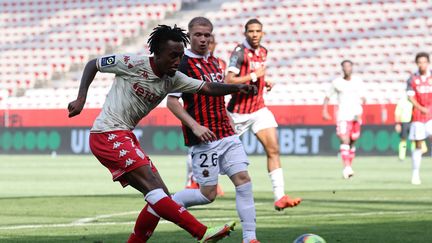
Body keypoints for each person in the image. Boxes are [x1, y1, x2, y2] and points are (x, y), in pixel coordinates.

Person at [67, 25, 257, 243]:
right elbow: (94, 64)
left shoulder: (173, 79)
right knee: (153, 189)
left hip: (124, 135)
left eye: (180, 56)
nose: (177, 62)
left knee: (161, 198)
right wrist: (81, 98)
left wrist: (236, 89)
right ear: (157, 53)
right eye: (173, 56)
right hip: (107, 133)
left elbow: (206, 88)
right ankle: (201, 232)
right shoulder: (132, 63)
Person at [167, 17, 260, 243]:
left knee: (243, 180)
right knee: (207, 195)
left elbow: (218, 97)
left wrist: (229, 119)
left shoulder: (215, 62)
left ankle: (250, 238)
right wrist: (196, 126)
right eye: (198, 34)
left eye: (207, 35)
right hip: (205, 138)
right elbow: (172, 101)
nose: (203, 39)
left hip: (227, 134)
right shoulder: (182, 64)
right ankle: (168, 203)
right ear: (189, 36)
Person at [225, 18, 301, 210]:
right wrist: (253, 77)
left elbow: (258, 74)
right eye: (251, 31)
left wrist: (264, 82)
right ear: (245, 33)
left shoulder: (263, 51)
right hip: (237, 114)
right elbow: (228, 80)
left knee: (273, 149)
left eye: (258, 31)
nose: (255, 34)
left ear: (263, 33)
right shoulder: (239, 52)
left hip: (258, 109)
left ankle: (279, 196)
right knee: (218, 155)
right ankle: (198, 184)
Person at [183, 33, 226, 196]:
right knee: (196, 149)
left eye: (212, 41)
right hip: (197, 112)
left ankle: (212, 182)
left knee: (217, 150)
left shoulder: (219, 63)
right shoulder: (188, 62)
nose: (209, 44)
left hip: (216, 112)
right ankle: (192, 181)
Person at [323, 60, 365, 179]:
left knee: (352, 140)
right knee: (344, 139)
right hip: (343, 115)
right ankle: (347, 167)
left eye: (349, 66)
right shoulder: (337, 82)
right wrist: (324, 110)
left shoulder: (358, 81)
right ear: (342, 69)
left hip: (356, 115)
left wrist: (362, 103)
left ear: (352, 68)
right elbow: (327, 96)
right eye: (345, 67)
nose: (347, 68)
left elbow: (363, 97)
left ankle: (348, 167)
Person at [406, 52, 432, 185]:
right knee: (418, 144)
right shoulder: (412, 79)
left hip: (431, 115)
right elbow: (410, 97)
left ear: (428, 63)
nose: (422, 64)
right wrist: (421, 108)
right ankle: (415, 174)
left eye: (424, 62)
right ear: (417, 64)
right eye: (419, 62)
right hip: (418, 116)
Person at [394, 96, 414, 161]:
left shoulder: (414, 99)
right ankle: (402, 156)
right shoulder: (402, 101)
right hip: (404, 123)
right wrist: (397, 124)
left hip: (413, 122)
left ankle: (416, 154)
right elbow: (397, 113)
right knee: (403, 140)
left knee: (415, 140)